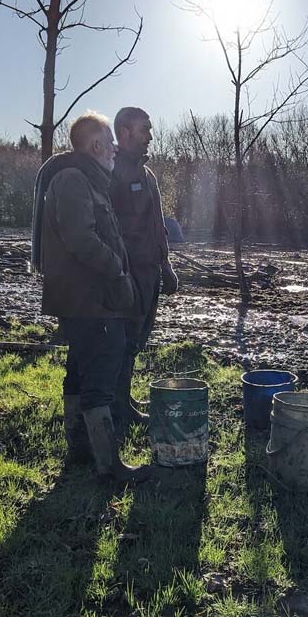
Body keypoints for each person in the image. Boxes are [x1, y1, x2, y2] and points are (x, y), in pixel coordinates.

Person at [33, 111, 147, 481]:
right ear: (95, 145)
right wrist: (116, 267)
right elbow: (80, 238)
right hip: (90, 298)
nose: (115, 148)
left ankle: (80, 452)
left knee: (79, 371)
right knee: (100, 373)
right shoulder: (74, 179)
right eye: (109, 142)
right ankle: (108, 466)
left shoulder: (87, 178)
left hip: (86, 297)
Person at [109, 106, 178, 436]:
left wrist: (167, 266)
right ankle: (115, 405)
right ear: (124, 132)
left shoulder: (147, 175)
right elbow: (105, 227)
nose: (150, 136)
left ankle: (122, 398)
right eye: (144, 129)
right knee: (123, 340)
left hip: (150, 271)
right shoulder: (110, 171)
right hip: (126, 274)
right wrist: (118, 273)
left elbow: (157, 225)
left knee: (137, 339)